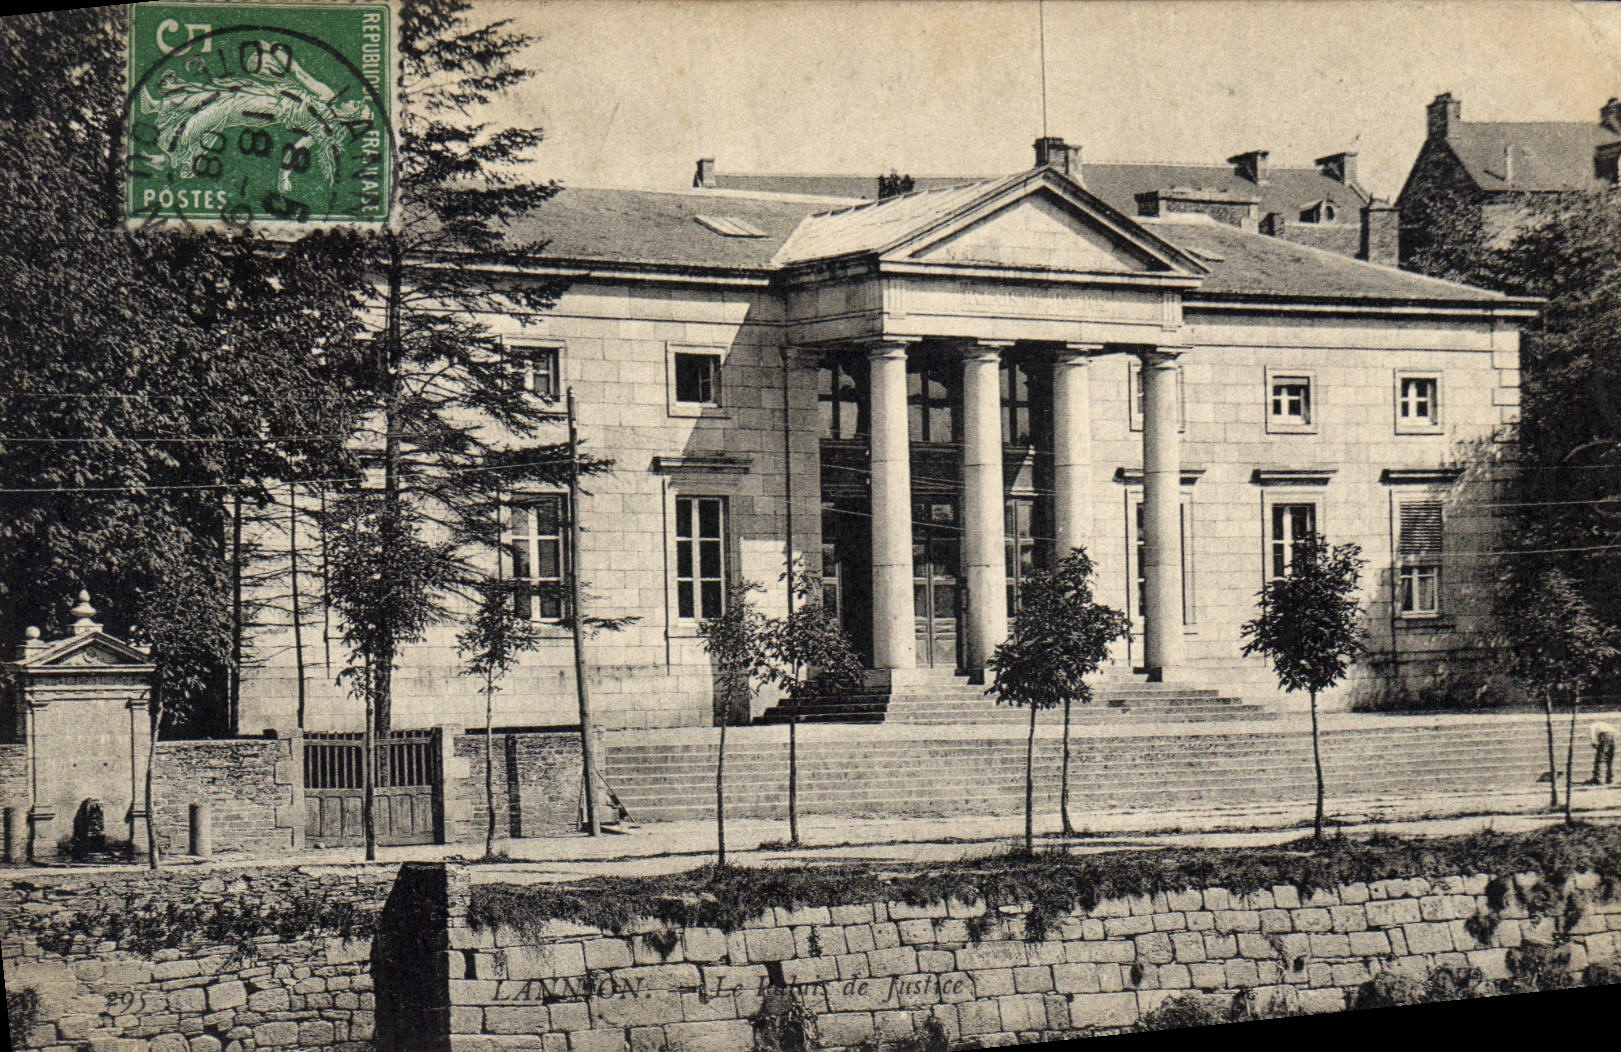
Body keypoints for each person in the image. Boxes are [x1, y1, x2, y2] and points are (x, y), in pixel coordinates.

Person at [1591, 721, 1616, 786]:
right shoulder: (1604, 724)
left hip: (1604, 736)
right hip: (1612, 736)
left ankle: (1599, 779)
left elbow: (1592, 736)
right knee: (1609, 759)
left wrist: (1593, 742)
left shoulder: (1593, 725)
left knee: (1600, 758)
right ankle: (1610, 778)